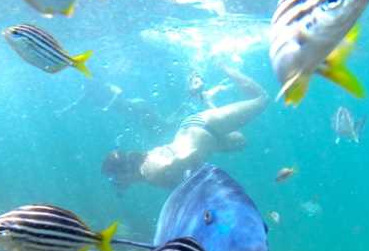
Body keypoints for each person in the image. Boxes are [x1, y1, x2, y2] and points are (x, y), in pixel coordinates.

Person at [103, 66, 267, 190]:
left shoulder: (151, 174)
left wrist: (203, 176)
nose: (117, 183)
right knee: (242, 142)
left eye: (114, 179)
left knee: (261, 99)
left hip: (204, 126)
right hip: (199, 133)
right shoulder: (146, 169)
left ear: (122, 173)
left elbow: (186, 157)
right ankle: (207, 99)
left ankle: (221, 64)